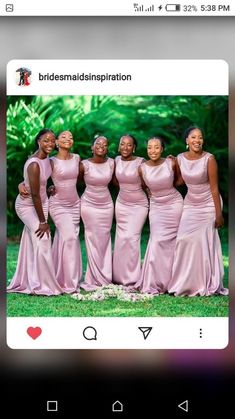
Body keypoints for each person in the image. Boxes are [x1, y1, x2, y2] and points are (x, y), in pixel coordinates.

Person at [168, 126, 228, 296]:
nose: (197, 140)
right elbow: (179, 181)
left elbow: (215, 189)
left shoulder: (209, 159)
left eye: (200, 137)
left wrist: (218, 214)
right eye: (193, 137)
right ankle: (185, 281)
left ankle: (204, 282)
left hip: (209, 204)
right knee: (183, 239)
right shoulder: (180, 158)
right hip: (191, 204)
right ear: (186, 140)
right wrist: (170, 167)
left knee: (202, 243)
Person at [7, 129, 62, 295]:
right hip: (27, 205)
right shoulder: (34, 163)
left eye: (52, 141)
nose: (50, 144)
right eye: (46, 140)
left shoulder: (47, 160)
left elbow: (37, 185)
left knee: (34, 241)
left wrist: (48, 188)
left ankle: (31, 279)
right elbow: (35, 194)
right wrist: (43, 222)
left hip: (42, 202)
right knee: (43, 238)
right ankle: (43, 286)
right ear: (38, 141)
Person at [136, 137, 183, 294]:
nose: (153, 151)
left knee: (176, 243)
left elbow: (179, 181)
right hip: (156, 207)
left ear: (162, 149)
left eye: (156, 147)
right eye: (150, 147)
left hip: (174, 204)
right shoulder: (142, 168)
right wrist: (153, 194)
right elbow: (144, 186)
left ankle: (176, 281)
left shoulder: (172, 163)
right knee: (156, 241)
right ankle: (156, 282)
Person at [48, 130, 82, 293]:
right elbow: (36, 178)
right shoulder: (51, 162)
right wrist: (22, 185)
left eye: (71, 136)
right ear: (56, 142)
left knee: (64, 239)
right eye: (64, 137)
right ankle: (71, 283)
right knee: (70, 238)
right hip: (58, 204)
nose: (68, 138)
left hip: (75, 204)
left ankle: (59, 276)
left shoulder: (76, 158)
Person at [112, 134, 148, 287]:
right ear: (119, 146)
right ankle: (119, 276)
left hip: (139, 204)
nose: (125, 147)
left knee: (132, 238)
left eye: (129, 145)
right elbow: (112, 179)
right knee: (121, 238)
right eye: (122, 144)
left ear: (134, 147)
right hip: (122, 204)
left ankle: (133, 277)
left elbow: (149, 182)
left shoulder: (141, 162)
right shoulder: (115, 161)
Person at [80, 135, 114, 291]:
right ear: (91, 147)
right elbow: (68, 180)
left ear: (107, 148)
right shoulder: (83, 165)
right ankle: (93, 277)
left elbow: (127, 176)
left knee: (105, 239)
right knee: (92, 238)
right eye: (98, 143)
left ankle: (105, 275)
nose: (101, 146)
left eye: (105, 144)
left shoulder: (112, 163)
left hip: (106, 205)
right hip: (89, 205)